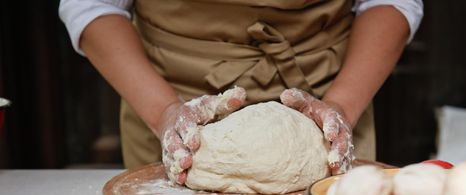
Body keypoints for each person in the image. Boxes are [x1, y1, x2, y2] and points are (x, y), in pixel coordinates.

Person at [59, 0, 423, 185]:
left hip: (329, 98)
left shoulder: (337, 108)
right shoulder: (166, 114)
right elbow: (92, 4)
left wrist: (341, 105)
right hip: (168, 98)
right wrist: (165, 113)